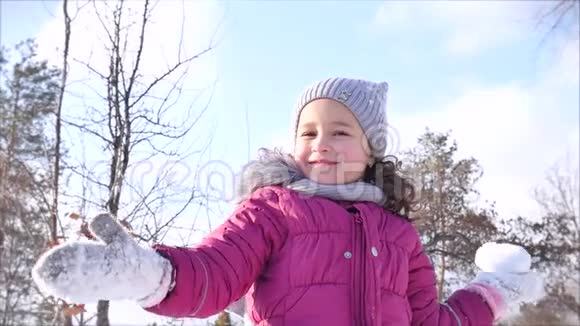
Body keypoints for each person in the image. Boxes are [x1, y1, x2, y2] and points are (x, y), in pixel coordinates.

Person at [32, 77, 544, 325]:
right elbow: (215, 274)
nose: (321, 143)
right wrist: (147, 274)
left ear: (372, 149)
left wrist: (494, 291)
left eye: (340, 131)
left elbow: (431, 322)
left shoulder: (399, 235)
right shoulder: (273, 210)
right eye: (309, 131)